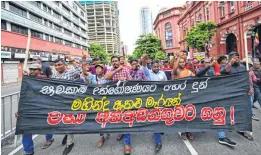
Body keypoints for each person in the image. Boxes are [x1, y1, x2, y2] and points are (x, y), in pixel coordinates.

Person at [196, 58, 237, 147]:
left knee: (219, 115)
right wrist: (210, 66)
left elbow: (225, 70)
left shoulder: (216, 69)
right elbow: (198, 75)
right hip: (201, 97)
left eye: (209, 62)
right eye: (206, 62)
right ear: (203, 63)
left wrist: (230, 63)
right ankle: (197, 127)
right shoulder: (199, 69)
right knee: (199, 114)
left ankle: (222, 137)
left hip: (214, 96)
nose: (208, 63)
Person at [16, 63, 54, 155]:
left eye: (35, 69)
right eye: (31, 69)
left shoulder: (45, 80)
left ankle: (49, 139)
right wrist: (19, 110)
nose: (32, 71)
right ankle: (29, 151)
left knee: (47, 124)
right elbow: (23, 96)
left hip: (43, 107)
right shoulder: (26, 80)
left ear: (39, 70)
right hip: (28, 109)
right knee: (26, 129)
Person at [52, 55, 83, 155]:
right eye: (56, 65)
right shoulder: (54, 76)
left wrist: (71, 60)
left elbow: (79, 70)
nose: (58, 67)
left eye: (60, 64)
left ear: (65, 65)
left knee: (69, 120)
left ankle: (70, 143)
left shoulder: (70, 73)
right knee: (61, 120)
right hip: (59, 102)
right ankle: (67, 133)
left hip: (70, 101)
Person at [221, 52, 254, 141]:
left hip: (240, 93)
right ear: (230, 58)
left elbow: (246, 79)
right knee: (226, 112)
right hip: (228, 93)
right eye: (234, 57)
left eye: (238, 57)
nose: (236, 58)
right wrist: (230, 63)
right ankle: (222, 134)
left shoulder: (242, 67)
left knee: (240, 111)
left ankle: (241, 129)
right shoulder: (225, 66)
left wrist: (250, 88)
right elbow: (223, 72)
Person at [105, 56, 132, 155]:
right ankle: (121, 132)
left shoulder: (125, 70)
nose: (115, 62)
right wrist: (117, 70)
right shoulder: (109, 70)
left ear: (119, 62)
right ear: (111, 62)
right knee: (117, 118)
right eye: (113, 61)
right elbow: (107, 78)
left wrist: (125, 79)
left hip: (125, 99)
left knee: (126, 118)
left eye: (116, 61)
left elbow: (132, 82)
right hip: (113, 100)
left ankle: (127, 143)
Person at [140, 58, 167, 153]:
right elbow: (143, 65)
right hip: (151, 100)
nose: (156, 68)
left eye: (158, 66)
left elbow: (167, 84)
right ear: (151, 67)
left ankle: (160, 129)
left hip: (161, 98)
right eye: (154, 67)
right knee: (155, 119)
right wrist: (144, 57)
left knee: (161, 116)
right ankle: (158, 142)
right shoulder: (148, 73)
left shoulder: (162, 73)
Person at [171, 57, 195, 140]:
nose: (182, 63)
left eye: (183, 62)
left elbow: (196, 79)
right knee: (181, 114)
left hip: (188, 95)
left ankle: (189, 131)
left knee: (189, 113)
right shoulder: (175, 71)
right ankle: (183, 131)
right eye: (180, 62)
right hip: (179, 96)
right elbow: (174, 69)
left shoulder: (188, 72)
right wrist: (178, 57)